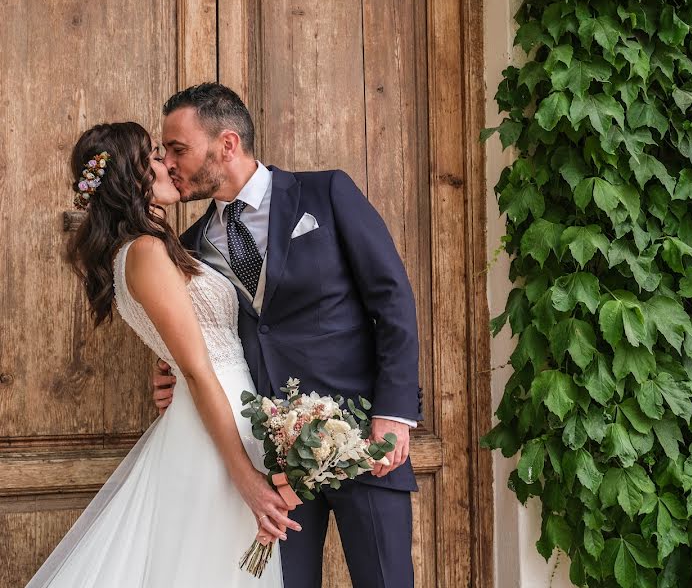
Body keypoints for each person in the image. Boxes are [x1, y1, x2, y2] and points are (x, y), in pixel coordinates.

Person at [151, 83, 422, 588]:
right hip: (270, 457)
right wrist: (175, 380)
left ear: (227, 144)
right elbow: (204, 340)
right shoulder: (188, 248)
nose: (168, 162)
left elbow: (393, 301)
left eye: (178, 148)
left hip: (364, 436)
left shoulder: (327, 193)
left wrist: (394, 413)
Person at [27, 122, 298, 587]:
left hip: (230, 418)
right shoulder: (145, 252)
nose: (167, 164)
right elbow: (195, 368)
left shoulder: (158, 247)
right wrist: (246, 477)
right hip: (215, 436)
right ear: (130, 178)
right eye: (153, 156)